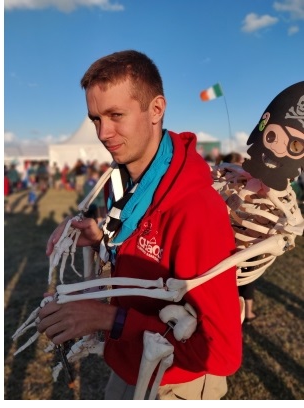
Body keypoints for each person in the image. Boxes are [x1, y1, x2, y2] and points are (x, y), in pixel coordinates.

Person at [37, 50, 242, 400]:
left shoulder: (195, 208)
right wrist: (101, 238)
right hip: (130, 361)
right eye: (96, 119)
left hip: (176, 381)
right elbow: (148, 253)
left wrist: (109, 319)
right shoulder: (129, 184)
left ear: (156, 110)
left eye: (116, 115)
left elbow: (221, 353)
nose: (104, 133)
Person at [221, 152, 257, 323]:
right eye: (240, 165)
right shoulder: (226, 190)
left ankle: (247, 312)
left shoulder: (252, 189)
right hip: (232, 240)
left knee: (247, 277)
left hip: (249, 241)